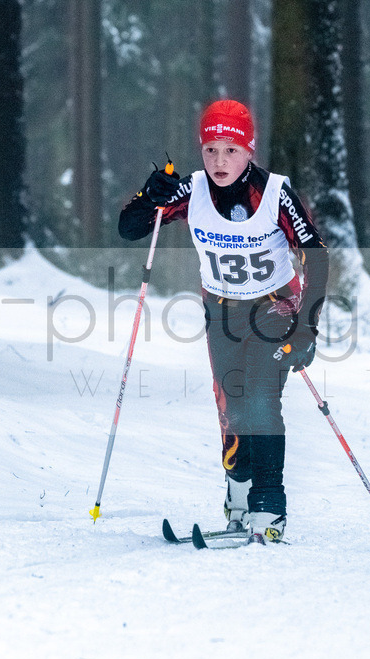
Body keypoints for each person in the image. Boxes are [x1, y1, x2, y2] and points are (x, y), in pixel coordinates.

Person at [118, 100, 329, 543]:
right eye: (211, 149)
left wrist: (307, 328)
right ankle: (239, 497)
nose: (219, 161)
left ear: (249, 151)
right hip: (222, 313)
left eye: (231, 150)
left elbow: (317, 255)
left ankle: (270, 508)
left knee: (259, 398)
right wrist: (149, 194)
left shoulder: (274, 192)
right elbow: (130, 227)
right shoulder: (191, 190)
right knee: (232, 409)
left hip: (277, 307)